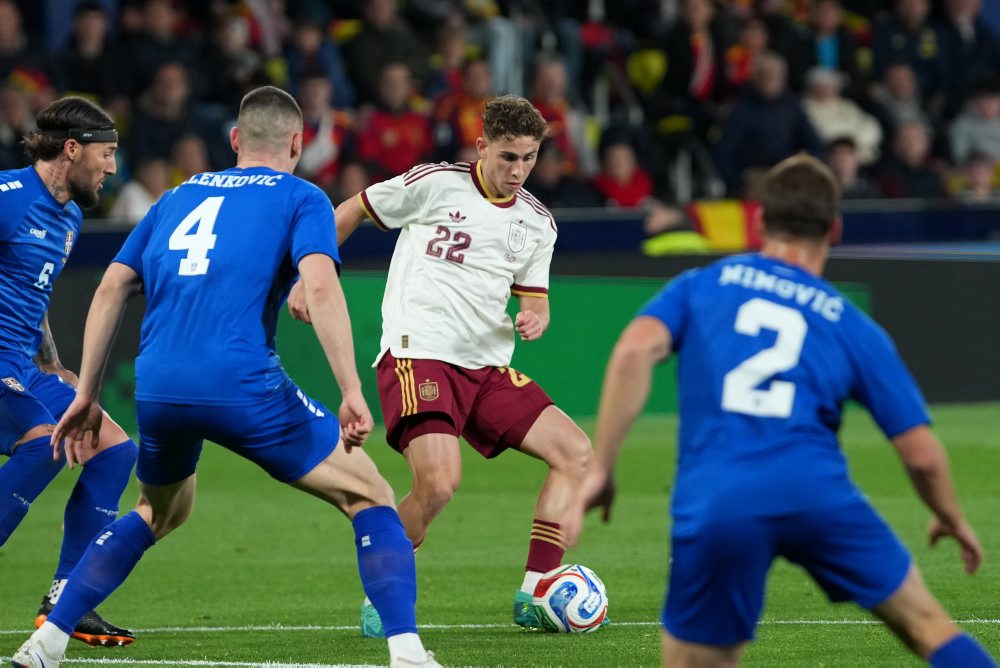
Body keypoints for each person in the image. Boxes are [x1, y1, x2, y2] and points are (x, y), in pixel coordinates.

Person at [11, 86, 440, 668]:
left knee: (160, 511)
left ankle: (46, 642)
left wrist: (86, 392)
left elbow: (111, 287)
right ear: (297, 143)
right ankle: (408, 653)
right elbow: (319, 286)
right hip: (241, 382)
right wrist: (349, 390)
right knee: (372, 496)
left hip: (158, 385)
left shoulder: (176, 196)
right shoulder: (302, 196)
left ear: (235, 139)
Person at [566, 154, 996, 667]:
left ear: (760, 221)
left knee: (697, 660)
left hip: (719, 498)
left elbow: (634, 351)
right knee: (927, 626)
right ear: (834, 229)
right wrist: (949, 516)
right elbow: (921, 455)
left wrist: (603, 468)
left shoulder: (701, 285)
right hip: (816, 494)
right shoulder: (850, 324)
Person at [288, 95, 592, 636]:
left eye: (528, 158)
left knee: (575, 452)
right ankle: (383, 595)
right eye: (507, 157)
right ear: (482, 146)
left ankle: (535, 592)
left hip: (487, 368)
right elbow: (352, 209)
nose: (518, 170)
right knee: (439, 484)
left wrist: (535, 317)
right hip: (418, 353)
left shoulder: (537, 222)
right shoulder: (435, 183)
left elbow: (535, 298)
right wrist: (308, 278)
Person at [0, 96, 138, 648]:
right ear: (73, 149)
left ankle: (68, 599)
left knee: (114, 449)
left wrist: (51, 361)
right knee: (43, 444)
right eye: (106, 154)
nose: (112, 168)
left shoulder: (70, 217)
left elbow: (33, 294)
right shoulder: (7, 196)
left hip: (20, 364)